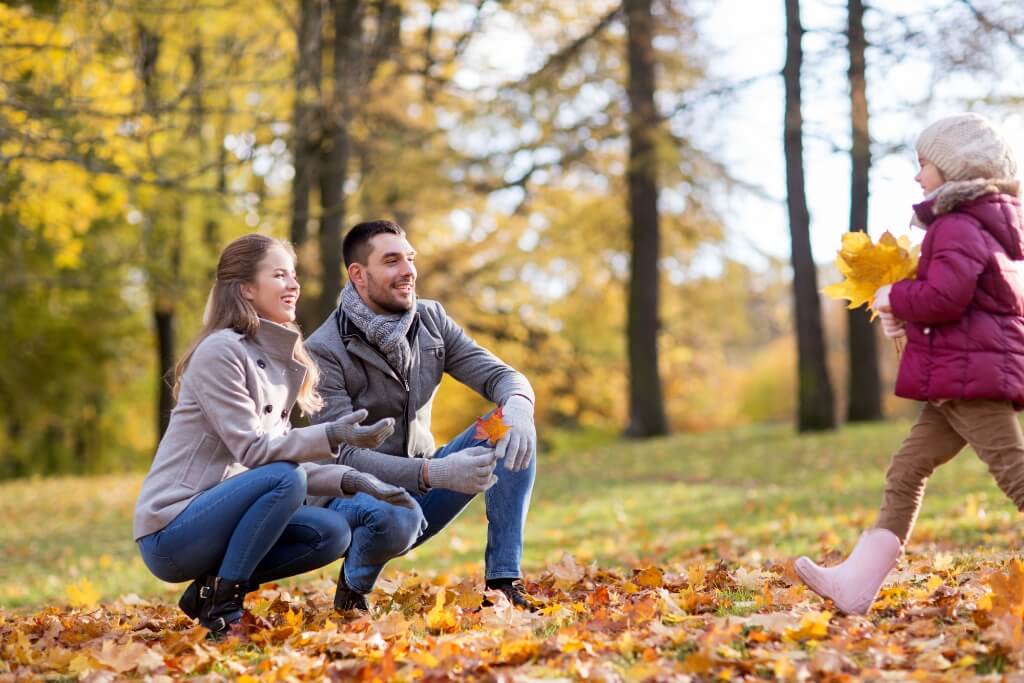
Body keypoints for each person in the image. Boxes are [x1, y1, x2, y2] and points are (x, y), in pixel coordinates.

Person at [795, 113, 1024, 615]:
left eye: (924, 165)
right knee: (907, 468)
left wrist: (894, 295)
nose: (918, 176)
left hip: (971, 378)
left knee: (1014, 472)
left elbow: (946, 298)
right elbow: (963, 301)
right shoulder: (975, 223)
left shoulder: (960, 224)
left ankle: (856, 582)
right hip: (956, 375)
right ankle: (855, 585)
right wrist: (903, 310)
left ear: (957, 168)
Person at [134, 233, 415, 637]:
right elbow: (256, 453)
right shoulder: (221, 351)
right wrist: (333, 434)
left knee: (332, 532)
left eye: (294, 275)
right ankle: (222, 609)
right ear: (247, 288)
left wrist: (355, 481)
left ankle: (210, 591)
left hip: (220, 520)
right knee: (286, 478)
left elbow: (284, 462)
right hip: (172, 528)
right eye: (280, 275)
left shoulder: (276, 358)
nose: (294, 285)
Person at [304, 220, 539, 612]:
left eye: (410, 258)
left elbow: (502, 376)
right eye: (392, 260)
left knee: (505, 425)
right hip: (352, 502)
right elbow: (343, 456)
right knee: (393, 513)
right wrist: (435, 473)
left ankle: (502, 584)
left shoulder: (431, 320)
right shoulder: (323, 350)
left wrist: (519, 403)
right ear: (358, 275)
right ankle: (353, 588)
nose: (408, 270)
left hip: (423, 485)